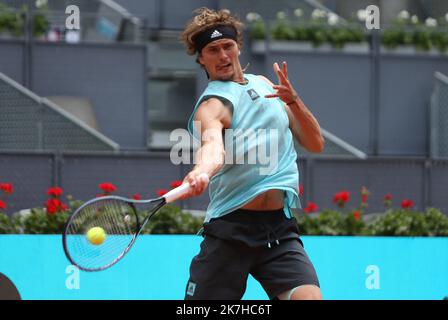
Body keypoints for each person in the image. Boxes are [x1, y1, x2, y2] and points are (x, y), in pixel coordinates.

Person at [180, 7, 325, 300]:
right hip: (230, 231)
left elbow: (315, 143)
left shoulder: (269, 87)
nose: (222, 55)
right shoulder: (213, 103)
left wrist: (294, 101)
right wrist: (202, 171)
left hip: (278, 231)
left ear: (238, 47)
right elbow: (213, 146)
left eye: (227, 46)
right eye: (213, 49)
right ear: (200, 58)